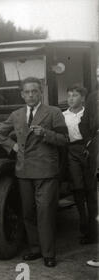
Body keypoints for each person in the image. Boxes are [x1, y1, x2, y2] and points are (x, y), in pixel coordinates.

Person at [0, 77, 68, 268]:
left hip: (46, 171)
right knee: (28, 212)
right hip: (24, 171)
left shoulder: (54, 112)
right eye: (27, 92)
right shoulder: (17, 114)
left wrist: (45, 133)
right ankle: (35, 249)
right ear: (22, 94)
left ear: (40, 92)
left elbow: (64, 139)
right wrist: (13, 147)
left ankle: (48, 253)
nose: (31, 95)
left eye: (34, 91)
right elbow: (0, 133)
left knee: (45, 213)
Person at [63, 85, 98, 245]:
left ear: (83, 98)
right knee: (78, 187)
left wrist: (89, 147)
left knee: (90, 189)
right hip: (71, 151)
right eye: (69, 95)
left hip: (88, 149)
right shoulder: (63, 115)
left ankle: (93, 228)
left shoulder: (88, 113)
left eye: (75, 95)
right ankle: (82, 222)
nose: (71, 98)